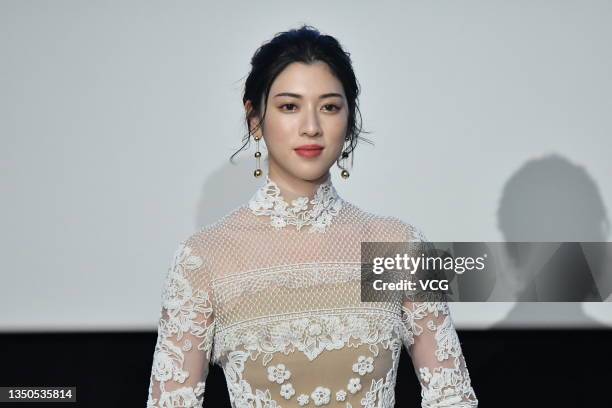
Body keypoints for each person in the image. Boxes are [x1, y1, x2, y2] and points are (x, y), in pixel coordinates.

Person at [146, 25, 478, 408]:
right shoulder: (204, 258)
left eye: (329, 107)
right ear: (254, 118)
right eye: (290, 106)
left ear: (349, 119)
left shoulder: (397, 244)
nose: (311, 127)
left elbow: (452, 398)